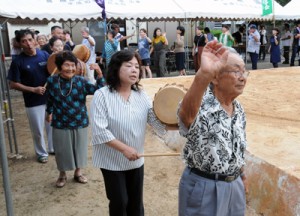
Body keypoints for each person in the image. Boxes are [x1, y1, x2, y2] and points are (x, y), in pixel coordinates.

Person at [91, 50, 171, 216]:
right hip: (111, 161)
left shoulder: (141, 95)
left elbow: (155, 122)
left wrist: (175, 123)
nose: (135, 70)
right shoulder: (102, 95)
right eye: (128, 66)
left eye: (137, 66)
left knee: (135, 203)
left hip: (136, 159)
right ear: (116, 68)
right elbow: (100, 131)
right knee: (120, 202)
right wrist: (124, 149)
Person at [178, 40, 249, 216]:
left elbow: (236, 148)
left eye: (244, 71)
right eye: (236, 71)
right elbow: (186, 116)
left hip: (235, 185)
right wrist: (204, 74)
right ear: (216, 78)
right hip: (205, 186)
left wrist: (242, 175)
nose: (242, 77)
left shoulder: (238, 109)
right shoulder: (199, 104)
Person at [45, 51, 105, 188]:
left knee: (80, 148)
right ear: (60, 66)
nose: (71, 69)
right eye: (67, 65)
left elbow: (99, 89)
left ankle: (78, 173)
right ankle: (62, 174)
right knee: (61, 150)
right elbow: (50, 99)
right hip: (60, 121)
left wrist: (99, 73)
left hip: (80, 120)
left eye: (73, 65)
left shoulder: (81, 81)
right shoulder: (52, 81)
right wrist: (48, 112)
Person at [7, 29, 53, 163]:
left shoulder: (44, 55)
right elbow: (13, 84)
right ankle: (41, 153)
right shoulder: (18, 61)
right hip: (33, 102)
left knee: (52, 126)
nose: (28, 43)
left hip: (50, 99)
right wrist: (33, 89)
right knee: (38, 130)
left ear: (35, 40)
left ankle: (52, 148)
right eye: (24, 41)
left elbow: (53, 71)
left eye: (30, 39)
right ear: (19, 44)